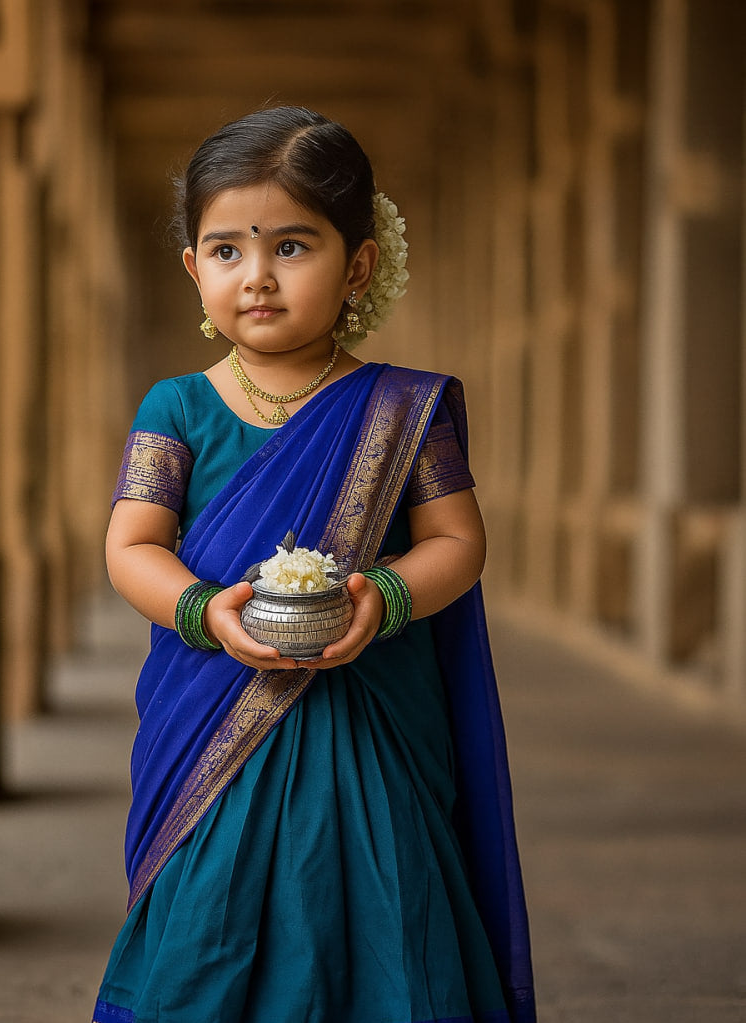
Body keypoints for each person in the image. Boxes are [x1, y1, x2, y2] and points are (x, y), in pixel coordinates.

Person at [92, 106, 535, 1023]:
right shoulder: (175, 408)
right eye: (226, 251)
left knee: (388, 914)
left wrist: (388, 592)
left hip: (369, 723)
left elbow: (459, 540)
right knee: (209, 924)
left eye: (291, 247)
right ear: (193, 268)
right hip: (214, 727)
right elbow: (131, 545)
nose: (255, 277)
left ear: (359, 265)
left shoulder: (400, 409)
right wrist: (204, 611)